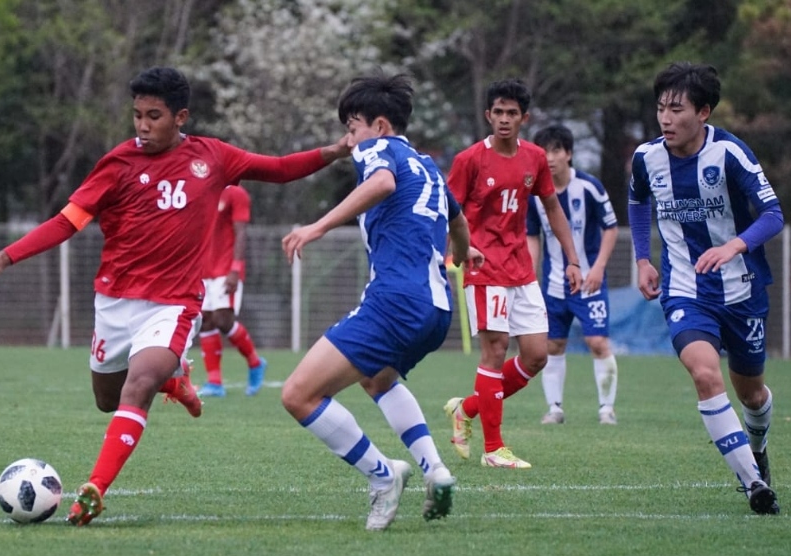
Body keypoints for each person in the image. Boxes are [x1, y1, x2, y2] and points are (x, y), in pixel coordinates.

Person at [0, 66, 350, 526]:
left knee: (138, 385)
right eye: (137, 116)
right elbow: (67, 221)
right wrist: (5, 258)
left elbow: (281, 169)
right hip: (114, 303)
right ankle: (176, 379)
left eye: (154, 116)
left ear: (180, 117)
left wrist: (337, 150)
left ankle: (94, 489)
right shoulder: (117, 165)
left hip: (174, 304)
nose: (143, 126)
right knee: (107, 400)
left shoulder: (214, 157)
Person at [281, 72, 481, 531]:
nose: (349, 140)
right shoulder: (427, 164)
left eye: (352, 128)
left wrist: (317, 226)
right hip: (437, 310)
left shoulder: (380, 151)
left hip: (396, 301)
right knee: (377, 378)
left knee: (298, 395)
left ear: (381, 126)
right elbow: (458, 219)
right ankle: (436, 470)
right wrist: (465, 253)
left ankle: (383, 475)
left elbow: (383, 185)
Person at [629, 62, 781, 515]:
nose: (666, 119)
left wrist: (734, 246)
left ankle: (758, 449)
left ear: (705, 113)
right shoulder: (646, 158)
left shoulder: (730, 154)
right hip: (685, 290)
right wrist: (641, 258)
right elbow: (638, 200)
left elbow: (772, 215)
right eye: (661, 108)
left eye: (677, 109)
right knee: (704, 373)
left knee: (752, 393)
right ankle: (753, 483)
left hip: (742, 289)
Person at [443, 78, 583, 469]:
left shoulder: (535, 158)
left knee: (537, 355)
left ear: (525, 117)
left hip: (521, 269)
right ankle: (494, 450)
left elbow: (552, 209)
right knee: (496, 348)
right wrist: (452, 250)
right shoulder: (469, 159)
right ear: (488, 115)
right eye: (498, 112)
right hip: (483, 266)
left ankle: (467, 408)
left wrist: (572, 259)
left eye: (512, 113)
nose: (504, 120)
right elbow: (447, 211)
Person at [525, 125, 619, 425]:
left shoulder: (589, 187)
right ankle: (555, 408)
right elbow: (532, 237)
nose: (549, 158)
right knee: (552, 345)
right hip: (554, 284)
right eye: (544, 151)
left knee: (597, 341)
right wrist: (531, 275)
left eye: (556, 150)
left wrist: (600, 267)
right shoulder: (534, 195)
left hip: (589, 281)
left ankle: (606, 408)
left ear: (569, 154)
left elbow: (611, 228)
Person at [197, 184, 267, 398]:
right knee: (205, 321)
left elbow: (241, 231)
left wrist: (235, 269)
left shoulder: (235, 193)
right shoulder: (201, 189)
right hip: (202, 268)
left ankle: (255, 363)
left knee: (222, 320)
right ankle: (215, 383)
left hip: (226, 269)